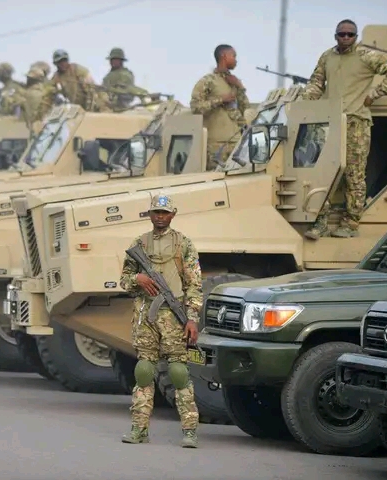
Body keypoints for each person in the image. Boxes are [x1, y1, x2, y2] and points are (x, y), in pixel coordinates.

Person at [302, 19, 387, 239]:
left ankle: (350, 224)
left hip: (356, 122)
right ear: (335, 35)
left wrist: (375, 94)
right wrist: (306, 100)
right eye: (342, 34)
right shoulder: (327, 56)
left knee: (354, 175)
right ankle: (319, 223)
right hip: (329, 123)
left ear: (356, 37)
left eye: (350, 35)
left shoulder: (367, 56)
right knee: (322, 175)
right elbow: (316, 82)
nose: (346, 38)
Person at [119, 193, 201, 449]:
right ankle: (139, 429)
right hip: (145, 316)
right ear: (150, 214)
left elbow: (194, 285)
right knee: (143, 371)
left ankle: (190, 431)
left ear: (172, 215)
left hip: (174, 317)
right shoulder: (139, 244)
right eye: (156, 212)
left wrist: (192, 319)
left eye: (164, 213)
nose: (160, 217)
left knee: (178, 372)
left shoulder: (183, 244)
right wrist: (138, 280)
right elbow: (124, 280)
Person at [190, 44, 250, 170]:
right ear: (224, 56)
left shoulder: (233, 81)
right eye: (233, 56)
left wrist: (240, 87)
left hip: (236, 144)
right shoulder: (208, 81)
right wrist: (220, 100)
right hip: (216, 146)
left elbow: (246, 109)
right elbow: (196, 108)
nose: (236, 60)